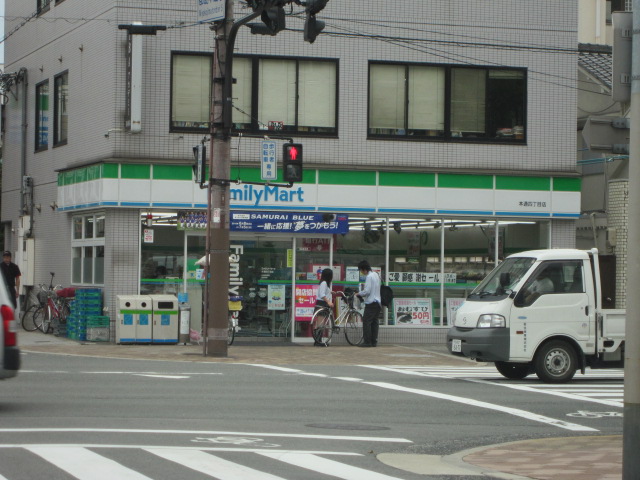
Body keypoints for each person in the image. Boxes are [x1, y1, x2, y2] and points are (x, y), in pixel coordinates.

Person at [356, 260, 381, 347]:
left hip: (371, 302)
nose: (361, 272)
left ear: (364, 269)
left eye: (361, 270)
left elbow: (367, 291)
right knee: (374, 322)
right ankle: (374, 341)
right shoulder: (376, 275)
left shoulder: (369, 277)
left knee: (366, 321)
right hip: (378, 302)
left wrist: (358, 293)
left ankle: (367, 342)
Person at [312, 268, 334, 347]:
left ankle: (318, 341)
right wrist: (328, 302)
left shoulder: (323, 283)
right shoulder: (324, 283)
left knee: (320, 324)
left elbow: (324, 292)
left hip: (321, 304)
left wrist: (331, 292)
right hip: (322, 304)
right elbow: (322, 294)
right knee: (320, 324)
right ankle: (318, 341)